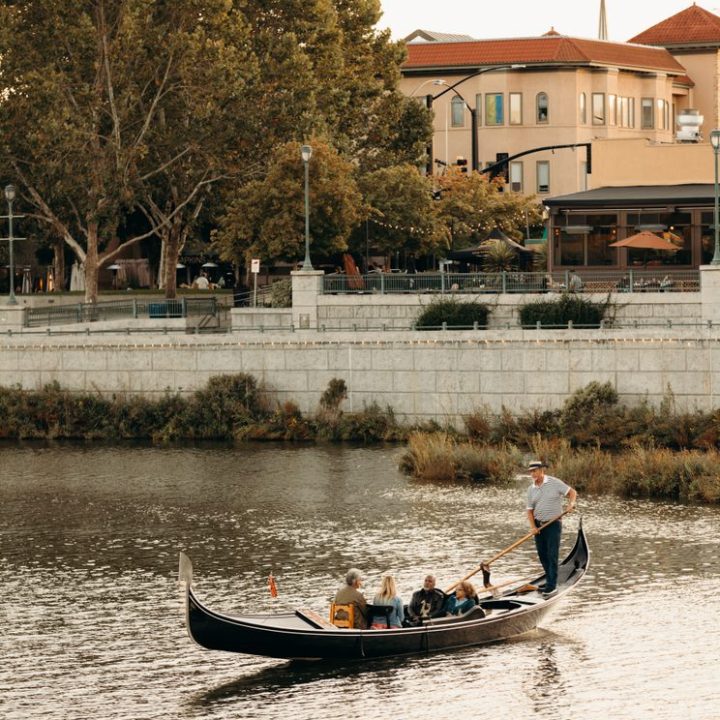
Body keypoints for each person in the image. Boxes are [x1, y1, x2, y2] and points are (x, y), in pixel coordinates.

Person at [526, 460, 577, 598]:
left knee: (552, 555)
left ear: (542, 470)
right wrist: (533, 527)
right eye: (531, 472)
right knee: (543, 556)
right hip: (538, 525)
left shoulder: (554, 483)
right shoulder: (531, 489)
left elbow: (572, 492)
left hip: (553, 524)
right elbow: (529, 511)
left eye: (535, 471)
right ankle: (549, 579)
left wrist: (570, 504)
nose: (533, 474)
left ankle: (552, 587)